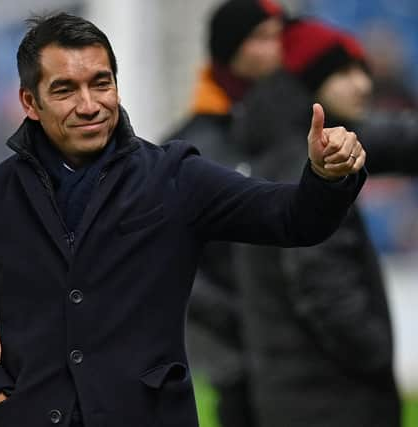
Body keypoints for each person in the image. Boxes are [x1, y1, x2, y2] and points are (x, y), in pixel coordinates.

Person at [0, 11, 367, 427]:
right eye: (65, 90)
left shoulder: (175, 176)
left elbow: (292, 219)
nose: (89, 105)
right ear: (30, 102)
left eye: (101, 84)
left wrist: (326, 179)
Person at [231, 18, 418, 426]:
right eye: (345, 72)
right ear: (310, 84)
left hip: (301, 398)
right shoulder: (309, 166)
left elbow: (405, 142)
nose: (363, 84)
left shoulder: (291, 146)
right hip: (328, 403)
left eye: (363, 71)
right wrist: (376, 355)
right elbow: (323, 288)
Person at [166, 1, 285, 425]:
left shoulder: (288, 130)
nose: (277, 50)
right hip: (237, 353)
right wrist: (241, 315)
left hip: (292, 351)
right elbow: (173, 258)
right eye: (263, 38)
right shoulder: (192, 147)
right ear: (232, 48)